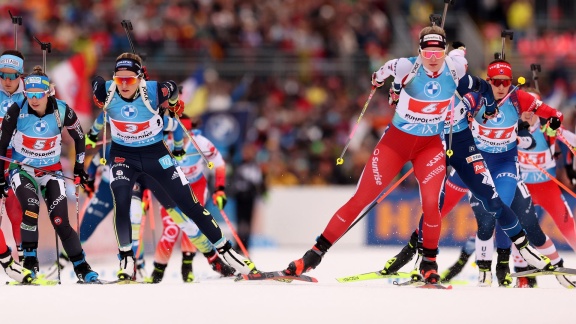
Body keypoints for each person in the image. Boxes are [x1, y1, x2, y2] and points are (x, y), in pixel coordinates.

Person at [285, 25, 495, 284]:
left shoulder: (455, 67)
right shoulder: (406, 66)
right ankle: (313, 256)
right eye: (427, 53)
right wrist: (383, 83)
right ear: (419, 51)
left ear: (444, 51)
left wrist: (487, 101)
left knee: (432, 205)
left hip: (429, 148)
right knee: (361, 199)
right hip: (395, 145)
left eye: (438, 52)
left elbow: (467, 66)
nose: (432, 59)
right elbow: (381, 72)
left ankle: (429, 263)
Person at [92, 53, 255, 280]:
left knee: (189, 204)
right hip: (123, 156)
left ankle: (227, 253)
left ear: (140, 78)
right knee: (122, 200)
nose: (124, 85)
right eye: (120, 80)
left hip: (155, 154)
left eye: (130, 79)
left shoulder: (153, 90)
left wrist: (173, 103)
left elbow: (172, 88)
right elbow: (97, 84)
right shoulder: (107, 90)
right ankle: (127, 259)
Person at [0, 66, 98, 282]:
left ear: (48, 93)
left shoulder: (62, 110)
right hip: (22, 169)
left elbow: (80, 138)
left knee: (60, 220)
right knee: (31, 207)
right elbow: (2, 143)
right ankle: (30, 263)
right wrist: (0, 176)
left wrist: (79, 168)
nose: (34, 100)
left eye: (39, 94)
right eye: (30, 94)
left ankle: (82, 267)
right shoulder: (16, 110)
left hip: (51, 171)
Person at [143, 115, 236, 283]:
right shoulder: (165, 142)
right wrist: (144, 194)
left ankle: (187, 266)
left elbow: (219, 164)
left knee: (193, 225)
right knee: (171, 229)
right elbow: (148, 169)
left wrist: (220, 190)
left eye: (187, 134)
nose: (183, 139)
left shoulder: (200, 142)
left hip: (196, 186)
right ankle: (158, 270)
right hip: (172, 188)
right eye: (179, 134)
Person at [0, 50, 26, 261]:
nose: (7, 81)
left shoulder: (31, 93)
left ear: (21, 75)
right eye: (2, 76)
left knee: (15, 207)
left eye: (12, 76)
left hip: (18, 156)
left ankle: (26, 258)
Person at [230, 143, 267, 252]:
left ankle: (245, 244)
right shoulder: (239, 165)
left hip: (249, 197)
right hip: (240, 197)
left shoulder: (254, 166)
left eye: (248, 153)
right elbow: (234, 181)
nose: (246, 155)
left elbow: (258, 182)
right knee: (239, 221)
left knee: (247, 222)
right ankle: (239, 244)